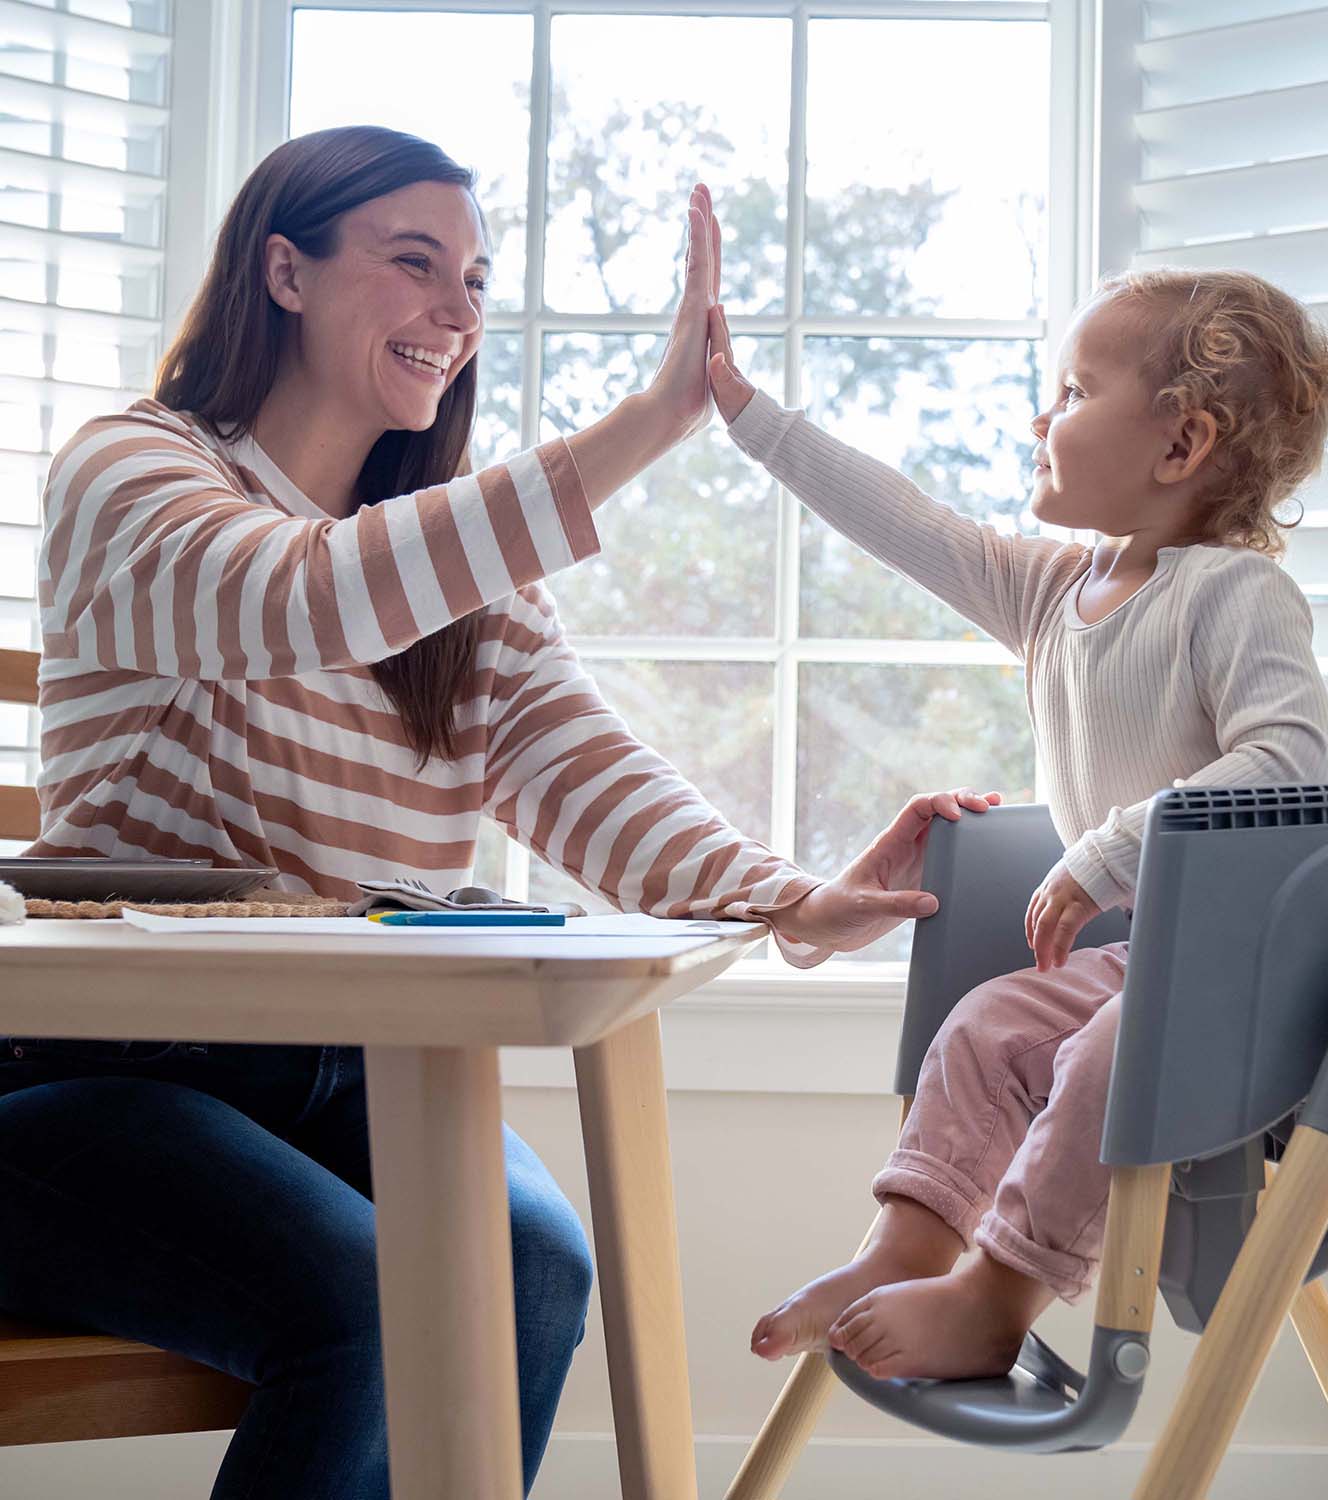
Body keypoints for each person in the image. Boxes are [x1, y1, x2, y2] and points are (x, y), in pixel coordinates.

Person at [0, 129, 993, 1498]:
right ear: (283, 271)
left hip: (355, 1071)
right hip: (93, 1077)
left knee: (532, 1269)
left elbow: (581, 767)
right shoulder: (137, 473)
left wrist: (792, 899)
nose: (459, 312)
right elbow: (294, 598)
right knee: (373, 1309)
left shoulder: (451, 573)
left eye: (473, 278)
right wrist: (649, 424)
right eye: (415, 264)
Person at [705, 266, 1328, 1380]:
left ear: (1180, 443)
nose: (1040, 417)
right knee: (989, 1024)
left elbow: (1290, 768)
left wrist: (1106, 849)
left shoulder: (1237, 595)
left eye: (1072, 390)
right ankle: (904, 1247)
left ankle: (1000, 1294)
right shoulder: (1054, 593)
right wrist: (751, 419)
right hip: (1148, 962)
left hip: (1259, 976)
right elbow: (908, 525)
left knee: (1111, 1050)